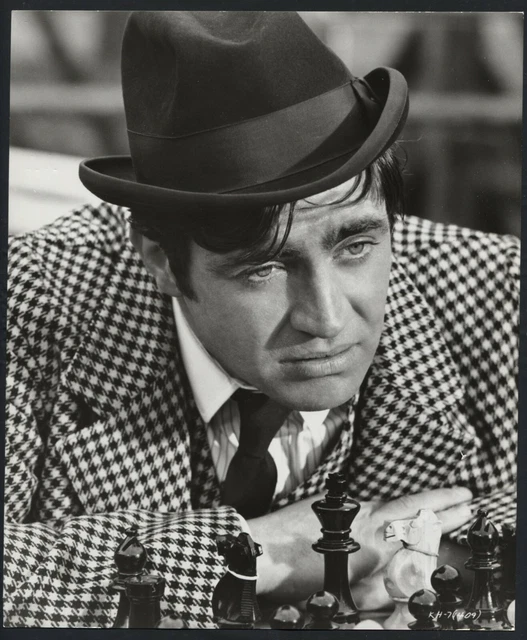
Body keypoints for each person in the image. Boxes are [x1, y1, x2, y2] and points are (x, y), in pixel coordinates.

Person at [4, 11, 518, 628]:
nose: (326, 317)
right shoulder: (32, 306)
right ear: (161, 261)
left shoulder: (501, 297)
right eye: (264, 269)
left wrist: (457, 564)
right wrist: (256, 554)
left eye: (356, 246)